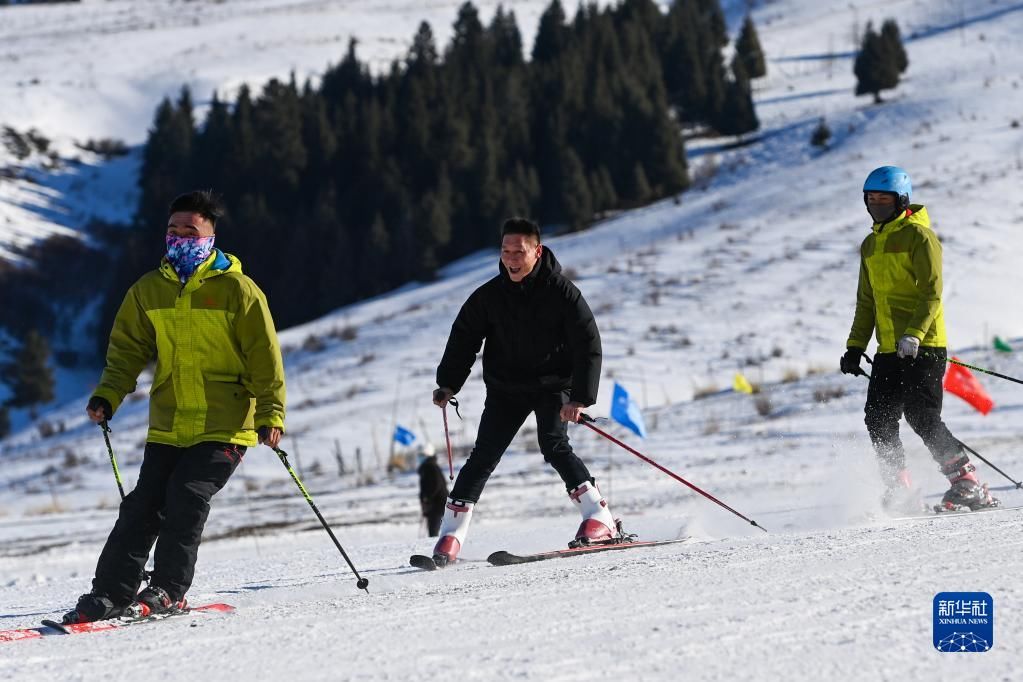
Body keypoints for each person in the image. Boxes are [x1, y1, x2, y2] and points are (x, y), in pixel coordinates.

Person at [64, 190, 286, 623]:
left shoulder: (239, 291)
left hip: (225, 424)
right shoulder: (149, 290)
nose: (181, 237)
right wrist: (108, 395)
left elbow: (265, 356)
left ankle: (168, 589)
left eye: (191, 230)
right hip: (169, 423)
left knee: (186, 496)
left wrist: (271, 414)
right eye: (173, 229)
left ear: (211, 235)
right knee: (143, 505)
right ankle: (110, 593)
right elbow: (127, 351)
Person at [429, 217, 616, 567]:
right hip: (506, 389)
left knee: (553, 445)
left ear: (537, 251)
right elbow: (464, 339)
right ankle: (450, 536)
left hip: (552, 386)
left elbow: (587, 344)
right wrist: (448, 383)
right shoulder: (489, 296)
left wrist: (579, 398)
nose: (511, 259)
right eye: (505, 251)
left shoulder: (562, 292)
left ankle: (598, 517)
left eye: (519, 251)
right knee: (483, 456)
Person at [840, 166, 996, 512]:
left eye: (885, 198)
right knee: (877, 417)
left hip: (923, 344)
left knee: (921, 415)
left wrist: (914, 334)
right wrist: (855, 346)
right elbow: (867, 301)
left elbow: (931, 292)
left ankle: (967, 482)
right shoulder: (870, 245)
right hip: (888, 348)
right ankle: (899, 487)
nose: (877, 204)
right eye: (872, 198)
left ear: (902, 200)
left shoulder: (919, 237)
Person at [417, 443, 448, 537]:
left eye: (421, 455)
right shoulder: (428, 467)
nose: (419, 457)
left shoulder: (430, 467)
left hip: (437, 504)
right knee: (434, 531)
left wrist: (427, 498)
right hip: (434, 505)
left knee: (434, 532)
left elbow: (436, 485)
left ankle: (437, 550)